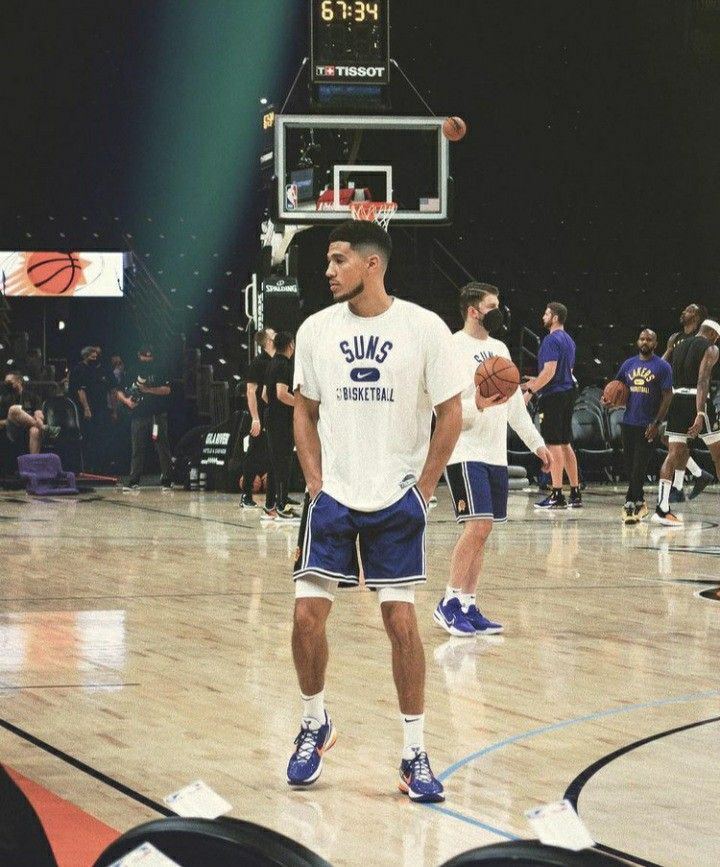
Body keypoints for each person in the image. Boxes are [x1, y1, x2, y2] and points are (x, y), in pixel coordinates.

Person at [287, 220, 464, 802]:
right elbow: (304, 411)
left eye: (338, 260)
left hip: (396, 498)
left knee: (402, 624)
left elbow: (451, 410)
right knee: (306, 618)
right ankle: (315, 721)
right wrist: (315, 483)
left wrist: (426, 487)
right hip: (334, 495)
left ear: (372, 264)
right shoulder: (315, 329)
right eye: (328, 261)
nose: (328, 270)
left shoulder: (424, 327)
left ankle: (414, 752)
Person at [436, 282, 552, 636]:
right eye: (492, 305)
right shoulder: (452, 348)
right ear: (473, 310)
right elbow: (444, 408)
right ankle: (448, 603)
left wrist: (537, 444)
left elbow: (515, 405)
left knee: (484, 531)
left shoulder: (499, 348)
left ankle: (469, 604)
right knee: (477, 525)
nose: (499, 311)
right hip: (464, 451)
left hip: (494, 454)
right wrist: (478, 406)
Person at [653, 319, 720, 526]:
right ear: (714, 336)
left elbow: (663, 373)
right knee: (718, 455)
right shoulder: (711, 348)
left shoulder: (679, 346)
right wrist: (700, 412)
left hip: (676, 400)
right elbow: (703, 380)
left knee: (673, 455)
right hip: (695, 400)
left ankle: (662, 509)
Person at [604, 329, 673, 524]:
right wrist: (609, 400)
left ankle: (629, 503)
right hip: (628, 422)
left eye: (649, 339)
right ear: (637, 341)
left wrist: (656, 423)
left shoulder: (662, 367)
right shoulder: (628, 364)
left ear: (655, 344)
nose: (645, 342)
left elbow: (668, 396)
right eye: (642, 338)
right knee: (629, 466)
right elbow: (617, 386)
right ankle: (641, 502)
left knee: (638, 467)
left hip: (648, 424)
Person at [521, 302, 580, 509]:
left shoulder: (550, 340)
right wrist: (534, 381)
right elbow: (566, 370)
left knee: (554, 444)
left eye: (546, 313)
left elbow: (550, 371)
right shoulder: (569, 341)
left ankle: (556, 494)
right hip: (568, 391)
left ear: (554, 317)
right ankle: (575, 492)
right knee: (565, 443)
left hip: (553, 395)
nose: (543, 316)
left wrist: (530, 391)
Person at [661, 303, 713, 502]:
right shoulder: (675, 338)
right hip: (675, 394)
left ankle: (678, 487)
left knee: (679, 443)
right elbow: (664, 363)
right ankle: (698, 474)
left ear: (699, 317)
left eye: (690, 310)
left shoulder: (700, 341)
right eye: (684, 310)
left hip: (693, 396)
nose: (684, 312)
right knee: (668, 439)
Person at [115, 347, 173, 489]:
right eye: (144, 357)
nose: (147, 360)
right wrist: (127, 401)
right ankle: (134, 479)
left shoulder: (160, 369)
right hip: (139, 415)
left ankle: (167, 478)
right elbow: (118, 391)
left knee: (161, 445)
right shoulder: (132, 370)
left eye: (149, 357)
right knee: (137, 447)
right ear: (139, 355)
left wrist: (148, 390)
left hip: (156, 415)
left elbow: (167, 390)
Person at [241, 328, 276, 513]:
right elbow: (251, 391)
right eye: (274, 334)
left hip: (274, 415)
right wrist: (255, 418)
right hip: (260, 415)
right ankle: (246, 495)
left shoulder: (277, 360)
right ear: (268, 340)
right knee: (253, 454)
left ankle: (277, 496)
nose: (277, 336)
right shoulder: (258, 363)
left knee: (274, 455)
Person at [265, 331, 297, 520]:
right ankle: (282, 505)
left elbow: (264, 395)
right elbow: (281, 393)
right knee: (283, 462)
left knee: (273, 462)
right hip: (281, 421)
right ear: (290, 345)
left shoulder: (271, 364)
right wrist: (299, 405)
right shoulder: (284, 365)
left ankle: (270, 504)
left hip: (271, 417)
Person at [70, 346, 113, 473]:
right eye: (92, 356)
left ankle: (100, 466)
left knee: (101, 436)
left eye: (96, 356)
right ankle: (87, 467)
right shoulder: (79, 369)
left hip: (102, 408)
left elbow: (111, 390)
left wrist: (112, 409)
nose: (95, 358)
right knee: (88, 437)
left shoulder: (99, 369)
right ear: (85, 356)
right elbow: (80, 390)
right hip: (86, 409)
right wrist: (86, 408)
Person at [0, 373, 57, 454]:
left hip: (28, 427)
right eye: (5, 383)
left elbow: (39, 414)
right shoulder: (3, 399)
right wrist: (12, 420)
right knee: (14, 409)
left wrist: (37, 419)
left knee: (35, 431)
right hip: (12, 429)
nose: (7, 384)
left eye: (9, 382)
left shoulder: (32, 396)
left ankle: (33, 463)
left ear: (19, 381)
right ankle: (45, 428)